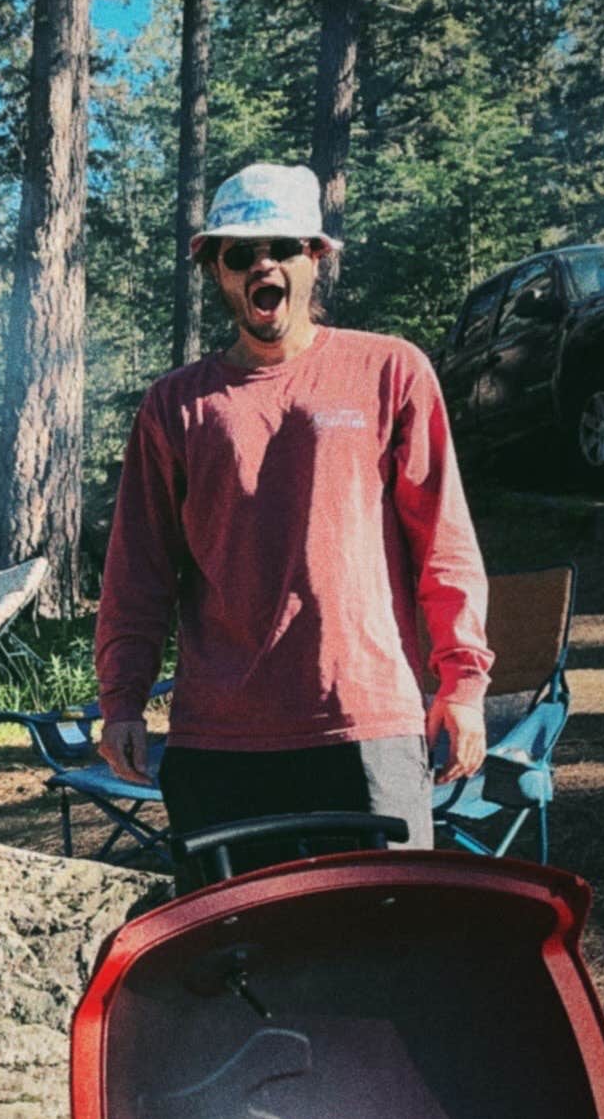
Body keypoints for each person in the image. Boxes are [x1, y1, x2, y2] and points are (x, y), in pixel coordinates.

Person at [95, 162, 492, 883]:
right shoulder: (175, 406)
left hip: (364, 721)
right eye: (240, 254)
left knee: (391, 950)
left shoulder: (391, 372)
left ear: (316, 256)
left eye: (281, 246)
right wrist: (122, 696)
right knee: (238, 972)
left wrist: (461, 683)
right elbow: (139, 568)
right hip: (220, 744)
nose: (262, 265)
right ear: (216, 270)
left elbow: (444, 541)